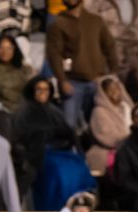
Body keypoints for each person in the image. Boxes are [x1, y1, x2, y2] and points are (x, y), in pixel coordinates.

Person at [45, 0, 118, 130]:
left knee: (99, 124)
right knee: (69, 125)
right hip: (72, 82)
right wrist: (62, 80)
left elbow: (109, 47)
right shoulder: (58, 24)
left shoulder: (96, 21)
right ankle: (70, 150)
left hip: (96, 81)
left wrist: (113, 74)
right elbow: (54, 55)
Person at [12, 76, 77, 197]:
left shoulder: (55, 111)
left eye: (46, 89)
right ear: (32, 91)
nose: (43, 93)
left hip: (58, 153)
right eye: (39, 89)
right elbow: (20, 136)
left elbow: (68, 133)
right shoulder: (24, 110)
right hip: (33, 156)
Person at [84, 0, 138, 101]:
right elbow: (89, 33)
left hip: (134, 62)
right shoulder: (93, 3)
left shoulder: (134, 2)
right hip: (107, 64)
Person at [86, 74, 132, 175]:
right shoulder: (99, 112)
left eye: (117, 89)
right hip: (108, 152)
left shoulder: (126, 107)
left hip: (130, 149)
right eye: (110, 90)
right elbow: (109, 139)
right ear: (103, 93)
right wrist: (132, 139)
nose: (115, 93)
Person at [0, 35, 33, 113]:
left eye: (9, 48)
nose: (5, 51)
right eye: (1, 48)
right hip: (0, 111)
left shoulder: (22, 67)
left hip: (24, 111)